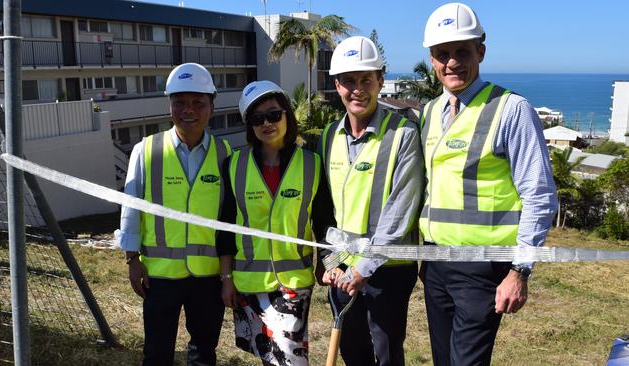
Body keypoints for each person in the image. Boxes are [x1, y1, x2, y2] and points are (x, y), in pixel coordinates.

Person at [418, 3, 558, 365]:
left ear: (480, 51)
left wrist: (520, 271)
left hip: (483, 268)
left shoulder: (511, 109)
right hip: (435, 263)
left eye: (461, 52)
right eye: (442, 54)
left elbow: (539, 195)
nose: (452, 63)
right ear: (432, 60)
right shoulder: (431, 111)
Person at [317, 36, 425, 366]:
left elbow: (401, 212)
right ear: (337, 85)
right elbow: (325, 209)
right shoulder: (328, 136)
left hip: (387, 272)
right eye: (349, 81)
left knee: (387, 354)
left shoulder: (403, 135)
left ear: (380, 80)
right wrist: (330, 264)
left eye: (366, 80)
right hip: (343, 270)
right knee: (353, 353)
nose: (358, 90)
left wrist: (362, 268)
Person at [115, 62, 231, 366]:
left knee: (204, 352)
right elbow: (131, 206)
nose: (188, 110)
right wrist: (131, 260)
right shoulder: (146, 150)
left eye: (197, 103)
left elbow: (231, 219)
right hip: (159, 276)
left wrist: (228, 272)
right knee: (156, 353)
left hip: (208, 276)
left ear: (211, 106)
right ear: (170, 105)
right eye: (179, 102)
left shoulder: (225, 154)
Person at [217, 80, 336, 366]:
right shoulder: (234, 164)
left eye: (273, 114)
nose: (266, 123)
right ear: (250, 125)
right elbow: (225, 228)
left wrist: (327, 263)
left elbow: (323, 222)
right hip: (248, 281)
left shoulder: (312, 163)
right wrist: (226, 279)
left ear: (287, 115)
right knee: (267, 355)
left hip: (292, 283)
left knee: (290, 359)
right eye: (257, 119)